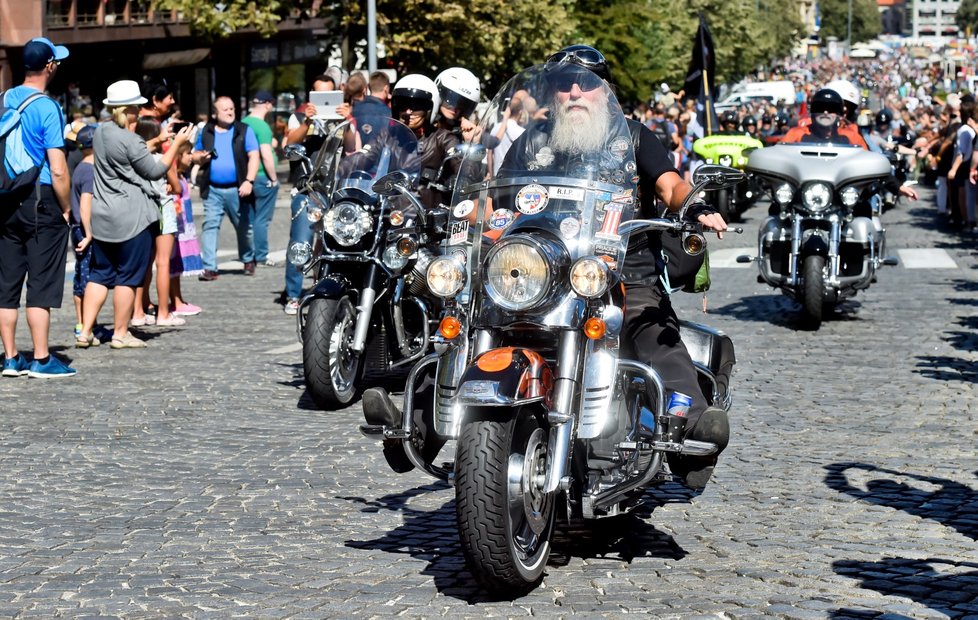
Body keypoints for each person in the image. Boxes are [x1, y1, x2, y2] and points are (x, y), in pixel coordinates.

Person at [77, 80, 194, 349]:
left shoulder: (100, 132)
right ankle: (120, 333)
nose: (140, 112)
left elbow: (127, 156)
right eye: (137, 108)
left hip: (103, 213)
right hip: (132, 217)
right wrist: (176, 144)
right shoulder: (130, 139)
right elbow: (154, 171)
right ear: (129, 109)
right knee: (127, 276)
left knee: (99, 274)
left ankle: (85, 331)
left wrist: (155, 141)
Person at [0, 37, 75, 378]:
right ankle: (42, 359)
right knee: (41, 282)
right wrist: (67, 208)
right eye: (55, 61)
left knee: (7, 284)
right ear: (48, 66)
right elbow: (58, 168)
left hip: (6, 200)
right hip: (41, 198)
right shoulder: (47, 107)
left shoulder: (4, 99)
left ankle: (11, 357)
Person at [191, 96, 260, 280]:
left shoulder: (243, 130)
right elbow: (195, 155)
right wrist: (201, 158)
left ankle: (247, 259)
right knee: (210, 226)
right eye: (225, 109)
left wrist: (249, 181)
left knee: (243, 227)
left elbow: (254, 156)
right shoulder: (206, 131)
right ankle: (210, 268)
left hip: (237, 189)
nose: (230, 112)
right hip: (212, 189)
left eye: (232, 109)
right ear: (215, 114)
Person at [281, 76, 332, 315]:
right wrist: (308, 122)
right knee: (301, 243)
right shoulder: (300, 117)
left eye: (329, 95)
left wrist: (348, 120)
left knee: (331, 247)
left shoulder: (341, 118)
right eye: (320, 95)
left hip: (332, 190)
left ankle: (324, 288)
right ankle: (293, 294)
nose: (324, 101)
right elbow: (289, 144)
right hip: (306, 190)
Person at [129, 118, 186, 328]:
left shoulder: (134, 160)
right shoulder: (162, 158)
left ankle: (137, 312)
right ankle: (163, 313)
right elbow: (177, 187)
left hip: (141, 211)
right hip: (162, 210)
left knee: (142, 263)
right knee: (163, 263)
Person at [241, 90, 280, 266]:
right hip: (263, 176)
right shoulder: (262, 126)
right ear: (268, 104)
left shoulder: (243, 123)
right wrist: (274, 178)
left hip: (247, 177)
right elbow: (266, 155)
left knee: (248, 218)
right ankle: (262, 255)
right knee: (262, 219)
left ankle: (248, 254)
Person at [69, 124, 97, 341]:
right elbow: (86, 204)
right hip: (85, 229)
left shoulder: (79, 166)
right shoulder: (90, 171)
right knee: (88, 278)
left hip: (77, 227)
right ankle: (87, 326)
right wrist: (89, 233)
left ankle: (82, 322)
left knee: (80, 276)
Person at [780, 89, 856, 146]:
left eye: (832, 109)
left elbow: (864, 158)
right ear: (813, 111)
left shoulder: (851, 136)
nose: (825, 112)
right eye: (820, 108)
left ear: (839, 114)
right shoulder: (796, 133)